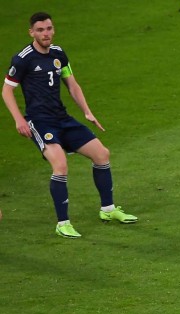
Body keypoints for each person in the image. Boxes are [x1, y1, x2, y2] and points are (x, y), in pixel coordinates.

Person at [2, 12, 137, 238]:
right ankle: (62, 223)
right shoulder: (23, 58)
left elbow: (72, 84)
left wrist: (86, 111)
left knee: (102, 154)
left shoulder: (58, 53)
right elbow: (7, 90)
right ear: (32, 32)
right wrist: (19, 120)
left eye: (49, 28)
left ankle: (108, 209)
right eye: (41, 30)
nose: (46, 33)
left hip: (62, 119)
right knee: (61, 166)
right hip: (40, 121)